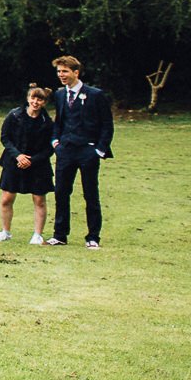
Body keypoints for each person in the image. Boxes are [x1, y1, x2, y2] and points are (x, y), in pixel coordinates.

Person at [49, 55, 114, 248]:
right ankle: (60, 234)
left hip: (88, 151)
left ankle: (93, 236)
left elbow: (107, 125)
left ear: (76, 72)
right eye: (59, 71)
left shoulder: (95, 94)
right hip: (65, 151)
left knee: (90, 194)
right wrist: (55, 143)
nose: (62, 75)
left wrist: (99, 150)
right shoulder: (60, 94)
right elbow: (58, 121)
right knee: (61, 192)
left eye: (65, 71)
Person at [0, 85, 56, 244]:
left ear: (44, 102)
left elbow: (50, 148)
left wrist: (31, 160)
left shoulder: (47, 122)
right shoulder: (14, 116)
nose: (35, 102)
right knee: (7, 198)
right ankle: (5, 232)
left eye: (39, 99)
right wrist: (18, 156)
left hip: (38, 165)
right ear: (28, 99)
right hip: (13, 161)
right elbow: (5, 138)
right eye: (33, 98)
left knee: (39, 200)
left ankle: (37, 235)